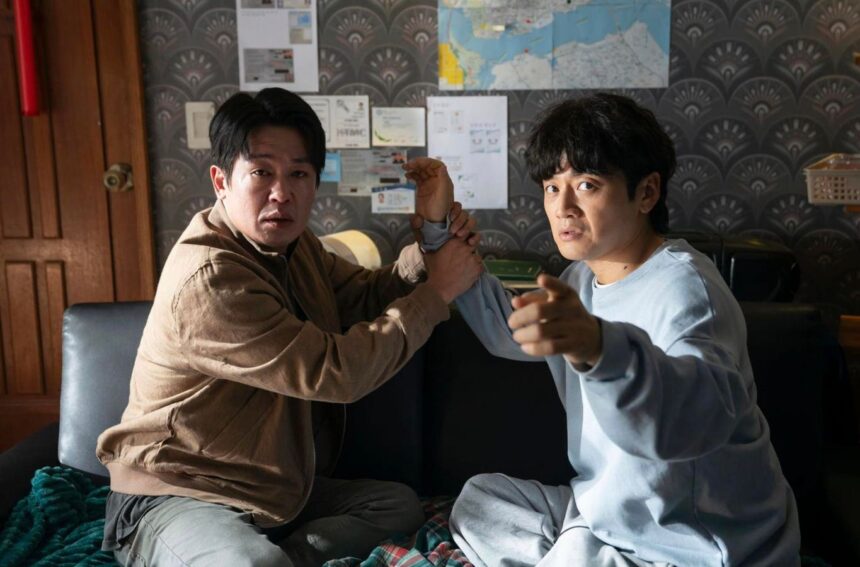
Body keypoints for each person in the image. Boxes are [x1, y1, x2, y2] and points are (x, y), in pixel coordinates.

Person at [95, 87, 483, 567]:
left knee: (395, 505)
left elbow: (363, 296)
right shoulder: (211, 278)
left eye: (298, 173)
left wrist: (429, 246)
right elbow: (335, 373)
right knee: (252, 565)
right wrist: (438, 291)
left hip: (271, 490)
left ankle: (280, 557)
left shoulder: (294, 248)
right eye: (262, 172)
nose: (282, 193)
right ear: (221, 181)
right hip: (180, 492)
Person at [420, 93, 800, 566]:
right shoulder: (580, 279)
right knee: (481, 500)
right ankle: (579, 546)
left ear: (647, 193)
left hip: (694, 544)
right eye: (551, 187)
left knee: (573, 551)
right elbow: (510, 328)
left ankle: (577, 550)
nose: (563, 207)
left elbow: (693, 419)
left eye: (587, 184)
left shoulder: (686, 289)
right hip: (609, 516)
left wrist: (601, 348)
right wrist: (438, 228)